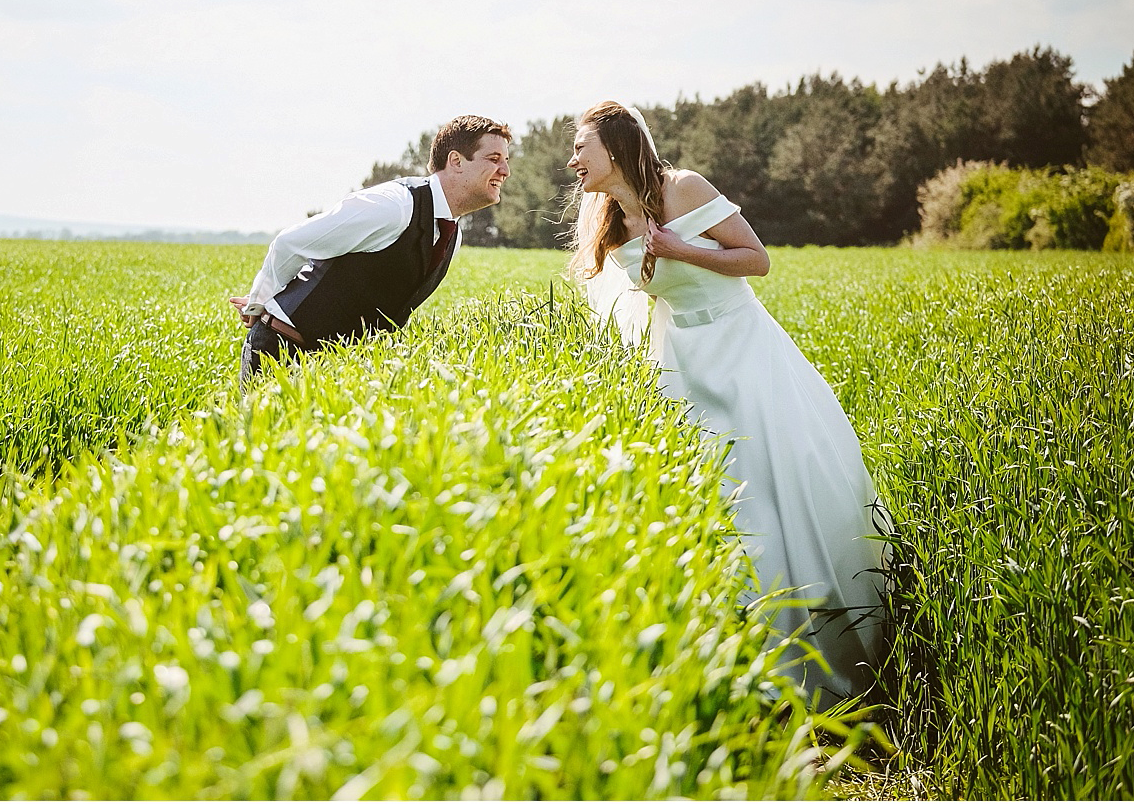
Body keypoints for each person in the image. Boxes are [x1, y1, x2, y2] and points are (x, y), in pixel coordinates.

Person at [567, 100, 887, 703]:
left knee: (781, 485)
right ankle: (744, 662)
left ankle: (833, 654)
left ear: (614, 145)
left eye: (582, 146)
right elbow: (631, 305)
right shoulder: (606, 222)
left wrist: (682, 250)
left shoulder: (684, 188)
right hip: (683, 366)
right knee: (726, 503)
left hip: (745, 354)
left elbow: (756, 261)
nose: (573, 159)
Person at [232, 115, 512, 383]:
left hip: (336, 367)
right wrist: (258, 303)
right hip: (282, 352)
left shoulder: (452, 235)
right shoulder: (394, 205)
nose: (505, 171)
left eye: (506, 161)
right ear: (456, 161)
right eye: (494, 159)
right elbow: (291, 243)